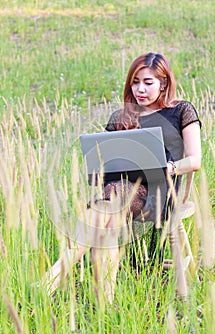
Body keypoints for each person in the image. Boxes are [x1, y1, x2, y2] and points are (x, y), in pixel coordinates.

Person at [43, 52, 201, 304]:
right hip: (119, 193)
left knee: (106, 209)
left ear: (164, 82)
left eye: (148, 82)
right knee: (109, 215)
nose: (140, 89)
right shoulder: (121, 117)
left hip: (160, 194)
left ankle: (53, 277)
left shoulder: (181, 111)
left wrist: (167, 167)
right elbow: (106, 164)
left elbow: (194, 161)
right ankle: (105, 305)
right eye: (135, 82)